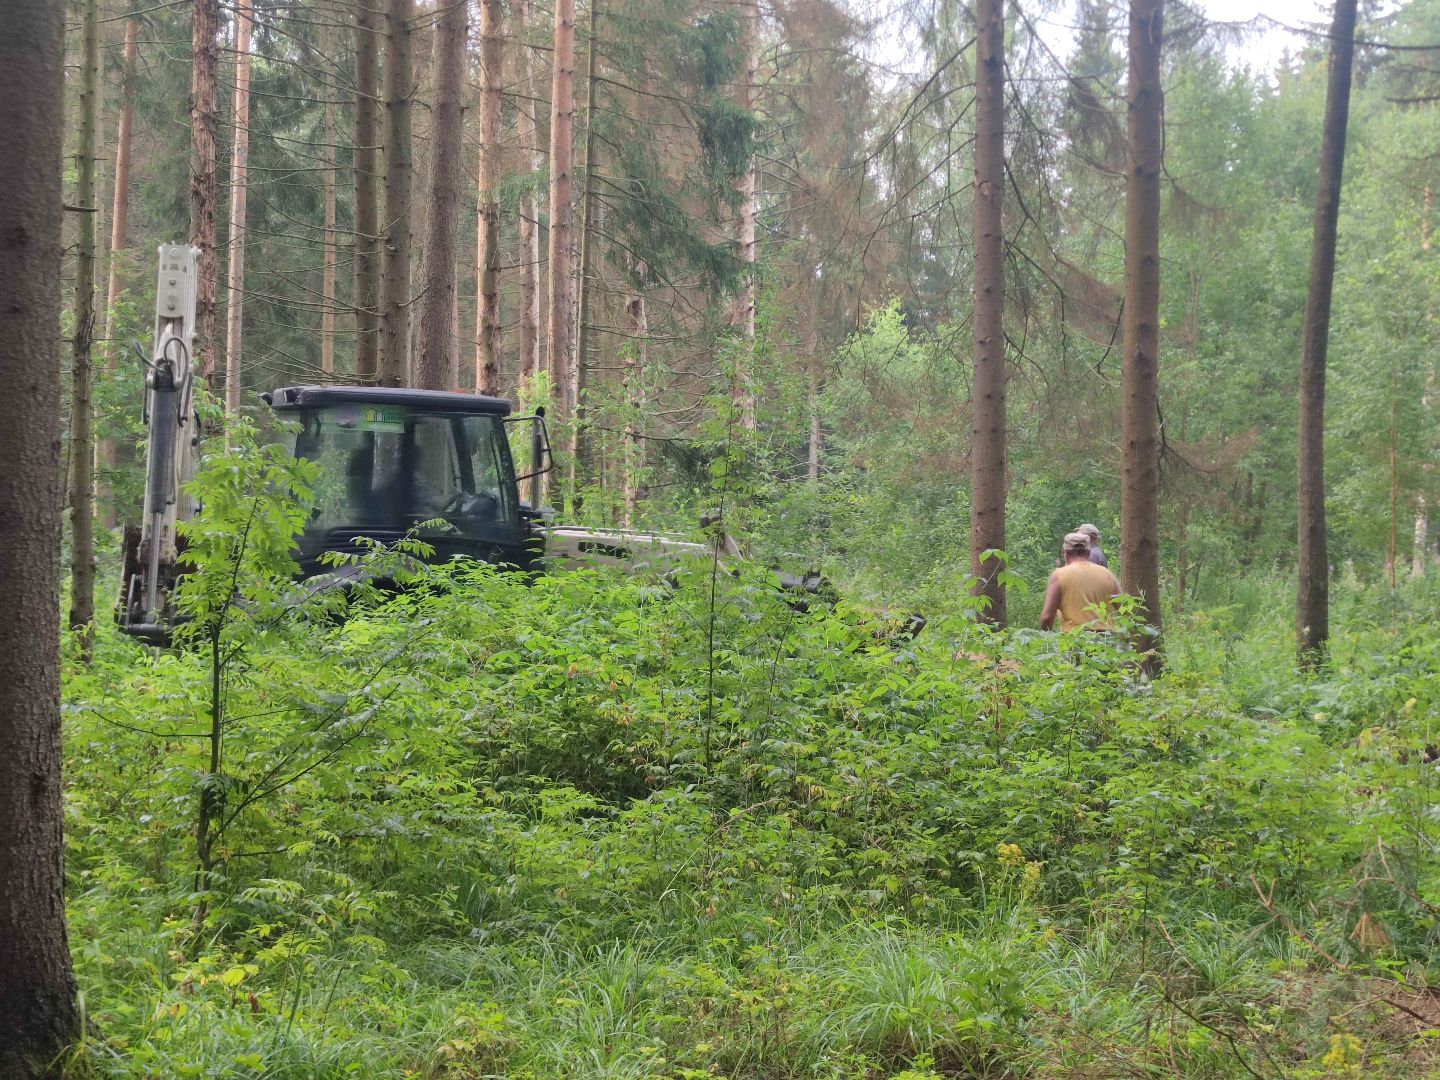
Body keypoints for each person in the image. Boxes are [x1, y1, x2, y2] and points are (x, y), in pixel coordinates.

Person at [1041, 531, 1121, 631]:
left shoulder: (1059, 575)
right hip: (1106, 641)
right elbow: (1125, 608)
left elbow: (1047, 617)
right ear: (1089, 552)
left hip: (1077, 640)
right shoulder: (1107, 574)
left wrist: (1046, 639)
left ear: (1065, 552)